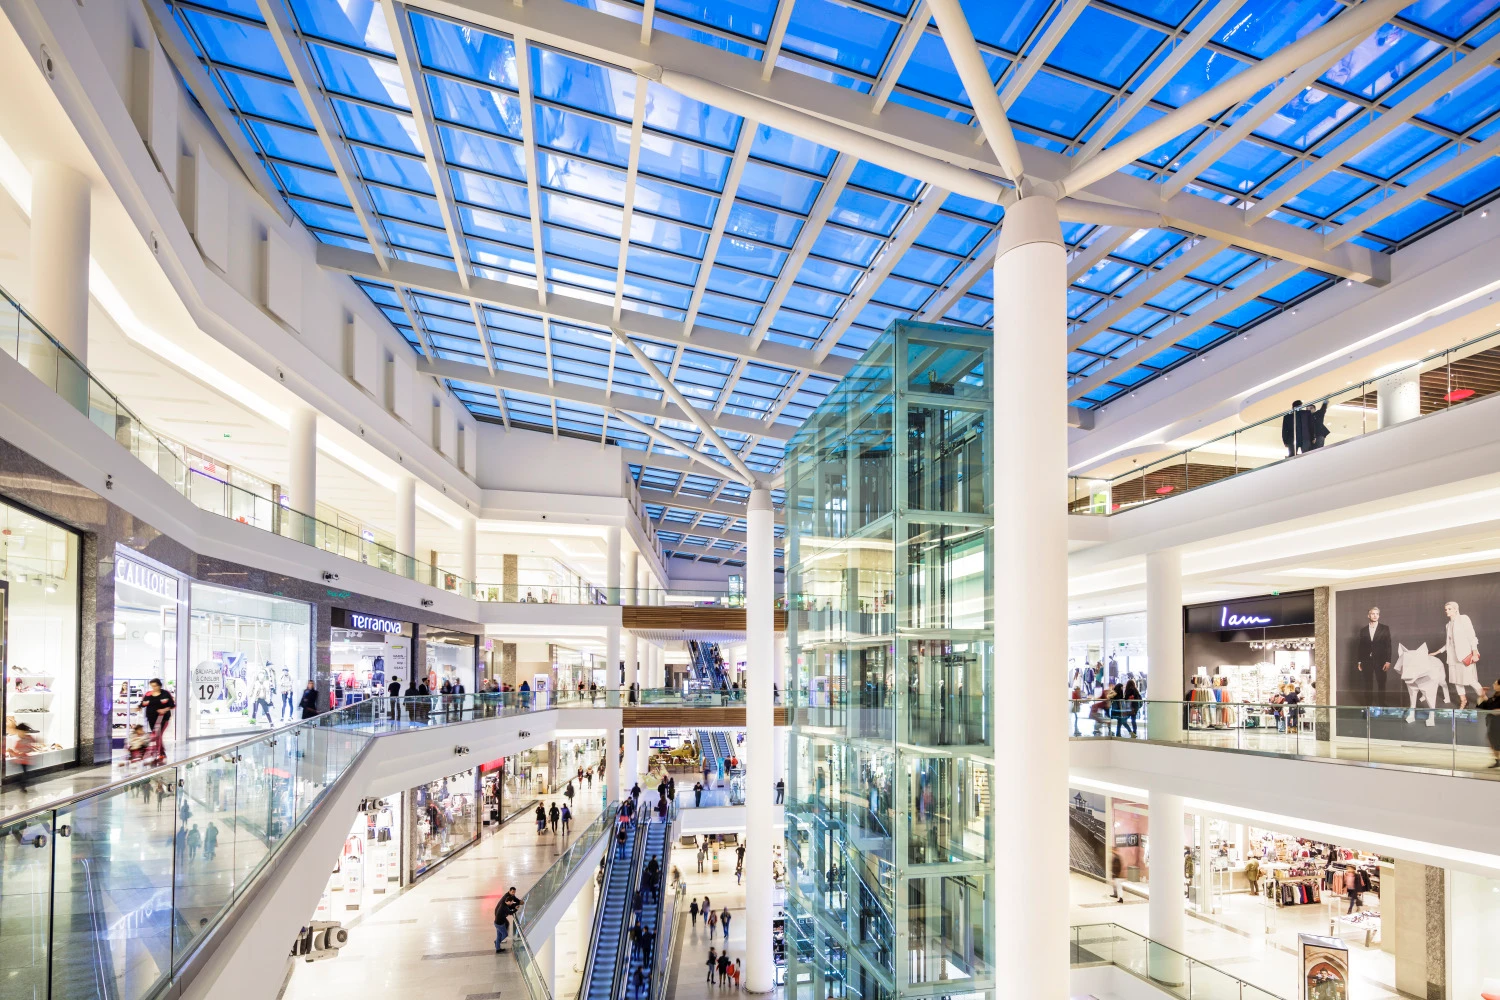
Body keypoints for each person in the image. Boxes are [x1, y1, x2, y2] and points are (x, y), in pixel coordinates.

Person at [1435, 600, 1483, 708]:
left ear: (1456, 609)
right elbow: (1449, 644)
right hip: (1452, 657)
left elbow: (1472, 636)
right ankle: (1464, 701)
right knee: (1457, 682)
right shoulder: (1448, 625)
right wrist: (1437, 652)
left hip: (1464, 656)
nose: (1447, 611)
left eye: (1449, 609)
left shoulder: (1464, 619)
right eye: (1446, 609)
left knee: (1471, 680)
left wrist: (1474, 652)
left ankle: (1485, 700)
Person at [1355, 606, 1394, 707]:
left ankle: (1382, 704)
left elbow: (1388, 645)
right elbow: (1361, 647)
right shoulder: (1363, 630)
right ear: (1368, 615)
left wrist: (1388, 661)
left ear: (1379, 616)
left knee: (1381, 683)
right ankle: (1368, 704)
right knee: (1368, 683)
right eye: (1373, 613)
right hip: (1366, 661)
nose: (1375, 615)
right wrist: (1359, 661)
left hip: (1381, 660)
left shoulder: (1385, 628)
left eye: (1377, 614)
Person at [140, 678, 176, 764]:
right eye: (152, 686)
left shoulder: (165, 693)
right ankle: (161, 753)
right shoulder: (148, 694)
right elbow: (143, 704)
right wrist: (138, 707)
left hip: (163, 718)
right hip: (151, 718)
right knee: (156, 736)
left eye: (155, 686)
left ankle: (159, 753)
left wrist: (164, 709)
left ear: (159, 685)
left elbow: (172, 705)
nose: (153, 688)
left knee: (158, 735)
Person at [1479, 681, 1500, 768]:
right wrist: (1483, 695)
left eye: (1495, 683)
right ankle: (1498, 761)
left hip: (1498, 723)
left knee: (1496, 743)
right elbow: (1483, 705)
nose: (1493, 685)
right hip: (1492, 722)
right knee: (1492, 742)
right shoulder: (1495, 696)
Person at [495, 886, 521, 951]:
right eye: (511, 902)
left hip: (497, 922)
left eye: (514, 892)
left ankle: (498, 948)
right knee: (505, 934)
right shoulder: (505, 906)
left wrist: (518, 902)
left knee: (499, 934)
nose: (512, 903)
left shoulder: (506, 902)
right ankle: (497, 942)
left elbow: (514, 901)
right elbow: (510, 912)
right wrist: (516, 909)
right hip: (499, 923)